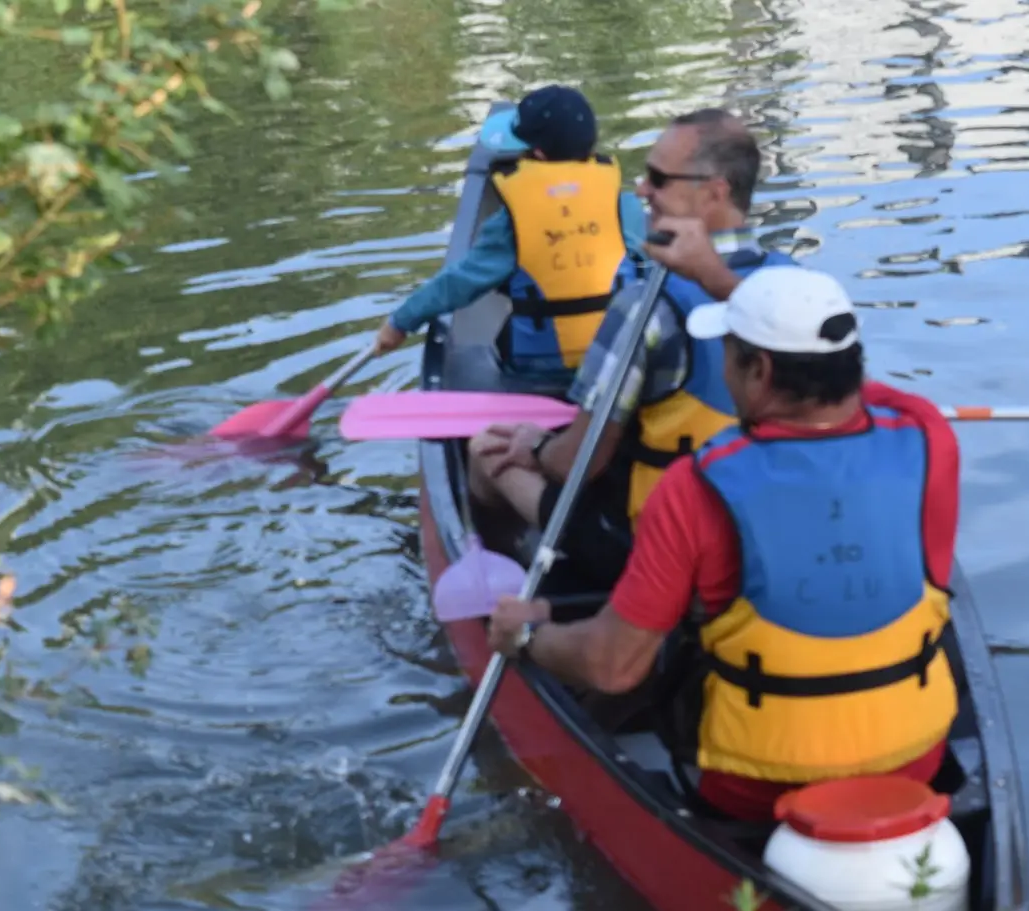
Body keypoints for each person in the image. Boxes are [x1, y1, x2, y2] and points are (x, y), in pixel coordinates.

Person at [485, 266, 963, 822]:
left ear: (758, 370)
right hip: (915, 758)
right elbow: (863, 395)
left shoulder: (694, 486)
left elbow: (612, 667)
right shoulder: (931, 437)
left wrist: (526, 635)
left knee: (664, 642)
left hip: (757, 787)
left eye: (728, 357)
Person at [468, 107, 796, 590]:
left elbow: (575, 464)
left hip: (653, 545)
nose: (641, 190)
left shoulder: (645, 310)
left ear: (714, 192)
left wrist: (534, 442)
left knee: (484, 451)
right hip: (768, 522)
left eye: (658, 179)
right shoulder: (802, 287)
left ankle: (518, 582)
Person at [374, 84, 647, 378]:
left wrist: (400, 322)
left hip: (542, 370)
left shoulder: (510, 221)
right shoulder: (626, 207)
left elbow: (459, 283)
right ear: (592, 146)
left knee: (505, 332)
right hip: (616, 357)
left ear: (537, 154)